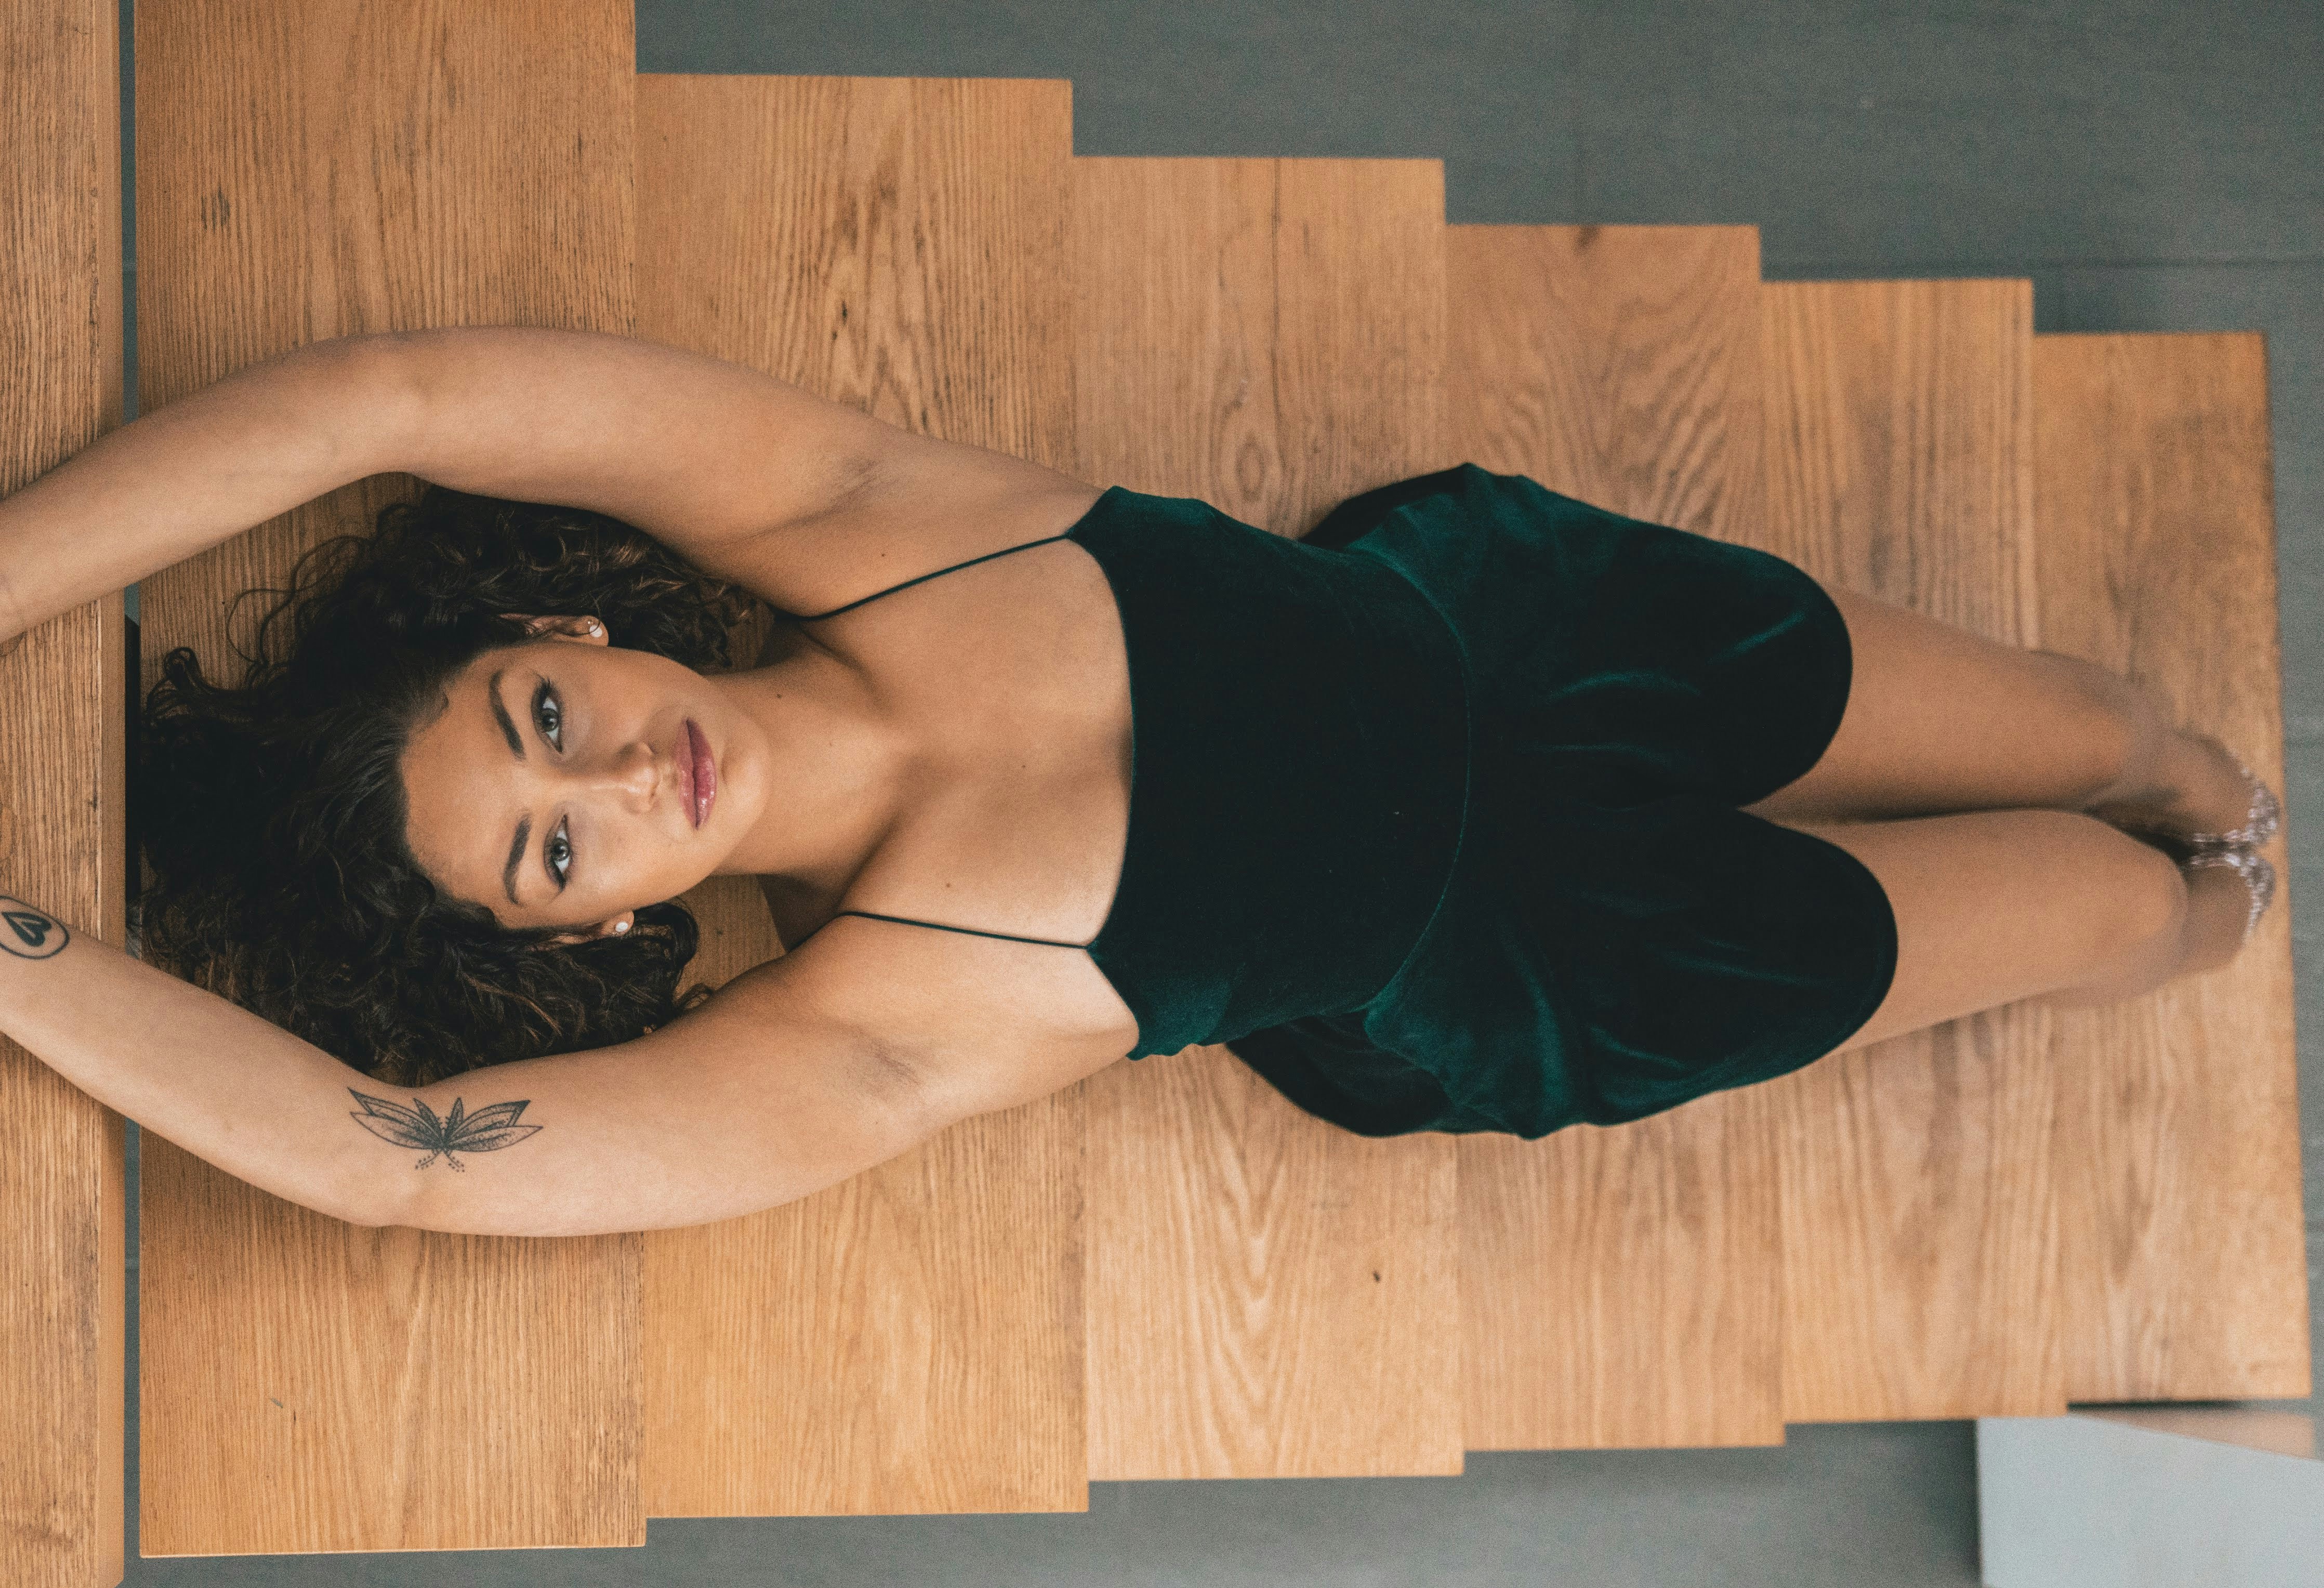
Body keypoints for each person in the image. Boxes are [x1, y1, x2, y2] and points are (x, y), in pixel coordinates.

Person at [0, 328, 2278, 1235]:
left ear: (569, 635)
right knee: (2119, 915)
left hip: (1539, 637)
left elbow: (386, 398)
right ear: (591, 928)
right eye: (555, 848)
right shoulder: (881, 1024)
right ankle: (2231, 900)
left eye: (537, 722)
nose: (610, 779)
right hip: (1542, 965)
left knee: (2105, 730)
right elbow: (383, 1160)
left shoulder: (852, 511)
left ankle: (2214, 781)